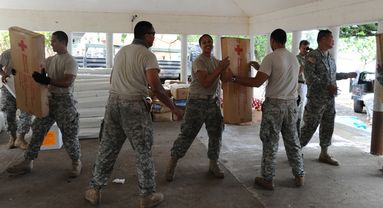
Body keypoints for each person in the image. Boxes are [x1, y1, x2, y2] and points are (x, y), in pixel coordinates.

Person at [84, 21, 183, 208]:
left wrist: (134, 87)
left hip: (113, 104)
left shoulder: (122, 52)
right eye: (153, 34)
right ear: (146, 35)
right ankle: (147, 195)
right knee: (143, 150)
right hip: (133, 108)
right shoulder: (147, 55)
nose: (154, 37)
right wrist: (174, 108)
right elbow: (156, 87)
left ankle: (94, 190)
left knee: (108, 147)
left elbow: (113, 79)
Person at [227, 28, 304, 190]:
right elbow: (280, 75)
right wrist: (261, 67)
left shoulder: (271, 57)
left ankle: (268, 179)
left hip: (275, 105)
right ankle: (299, 175)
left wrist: (233, 78)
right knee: (292, 141)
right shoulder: (294, 59)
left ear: (273, 41)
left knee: (270, 142)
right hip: (291, 105)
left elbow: (257, 83)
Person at [6, 31, 81, 178]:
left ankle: (76, 162)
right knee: (38, 130)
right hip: (49, 101)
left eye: (54, 41)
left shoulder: (70, 61)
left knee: (69, 133)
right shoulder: (50, 60)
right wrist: (18, 72)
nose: (51, 43)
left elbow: (67, 82)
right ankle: (27, 162)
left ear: (62, 42)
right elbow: (35, 70)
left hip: (64, 102)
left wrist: (48, 81)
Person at [165, 34, 230, 182]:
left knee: (216, 133)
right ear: (200, 45)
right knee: (187, 133)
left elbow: (225, 79)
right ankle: (172, 164)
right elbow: (206, 82)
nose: (208, 44)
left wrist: (226, 68)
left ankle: (213, 164)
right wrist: (220, 68)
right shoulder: (199, 61)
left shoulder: (215, 61)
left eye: (210, 42)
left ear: (213, 45)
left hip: (212, 102)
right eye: (204, 42)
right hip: (197, 103)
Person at [300, 29, 357, 166]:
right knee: (310, 125)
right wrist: (327, 86)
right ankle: (296, 150)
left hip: (330, 99)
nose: (333, 41)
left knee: (328, 125)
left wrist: (347, 75)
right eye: (331, 38)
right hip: (316, 100)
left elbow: (332, 76)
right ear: (323, 39)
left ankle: (324, 153)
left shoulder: (330, 59)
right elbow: (309, 77)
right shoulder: (312, 56)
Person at [0, 49, 33, 149]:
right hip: (9, 87)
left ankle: (20, 138)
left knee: (27, 112)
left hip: (25, 87)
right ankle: (12, 137)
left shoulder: (31, 52)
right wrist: (3, 74)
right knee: (8, 113)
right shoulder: (8, 53)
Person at [296, 40, 311, 136]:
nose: (306, 50)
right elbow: (297, 72)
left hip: (307, 85)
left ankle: (298, 130)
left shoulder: (309, 58)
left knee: (303, 109)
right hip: (299, 84)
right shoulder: (296, 59)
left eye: (307, 48)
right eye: (304, 47)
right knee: (298, 107)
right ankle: (296, 130)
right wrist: (306, 62)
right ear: (300, 47)